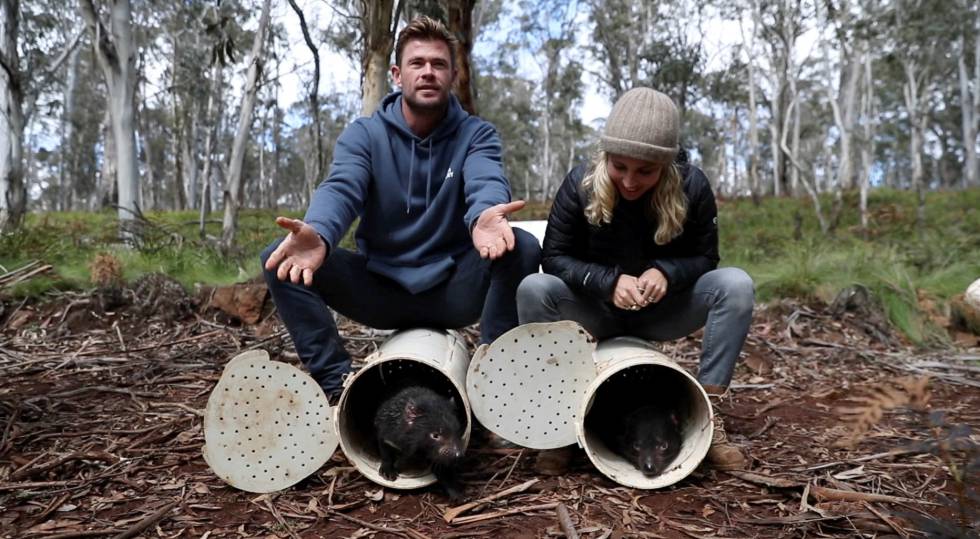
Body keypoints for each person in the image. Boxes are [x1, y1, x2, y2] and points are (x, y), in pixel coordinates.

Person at [261, 16, 540, 401]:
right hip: (381, 289)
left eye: (438, 64)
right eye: (417, 63)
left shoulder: (476, 134)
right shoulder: (364, 134)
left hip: (452, 289)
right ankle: (339, 388)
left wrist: (483, 215)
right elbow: (342, 186)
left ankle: (492, 385)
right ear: (397, 74)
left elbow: (485, 179)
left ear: (453, 75)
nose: (428, 72)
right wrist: (320, 232)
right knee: (279, 259)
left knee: (522, 246)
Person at [516, 87, 753, 470]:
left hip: (661, 311)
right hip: (595, 311)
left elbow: (706, 258)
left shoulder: (692, 186)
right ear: (605, 156)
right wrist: (607, 282)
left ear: (667, 165)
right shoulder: (580, 184)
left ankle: (708, 417)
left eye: (645, 171)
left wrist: (667, 272)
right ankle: (558, 423)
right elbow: (554, 258)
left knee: (735, 285)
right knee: (534, 288)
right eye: (619, 166)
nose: (629, 181)